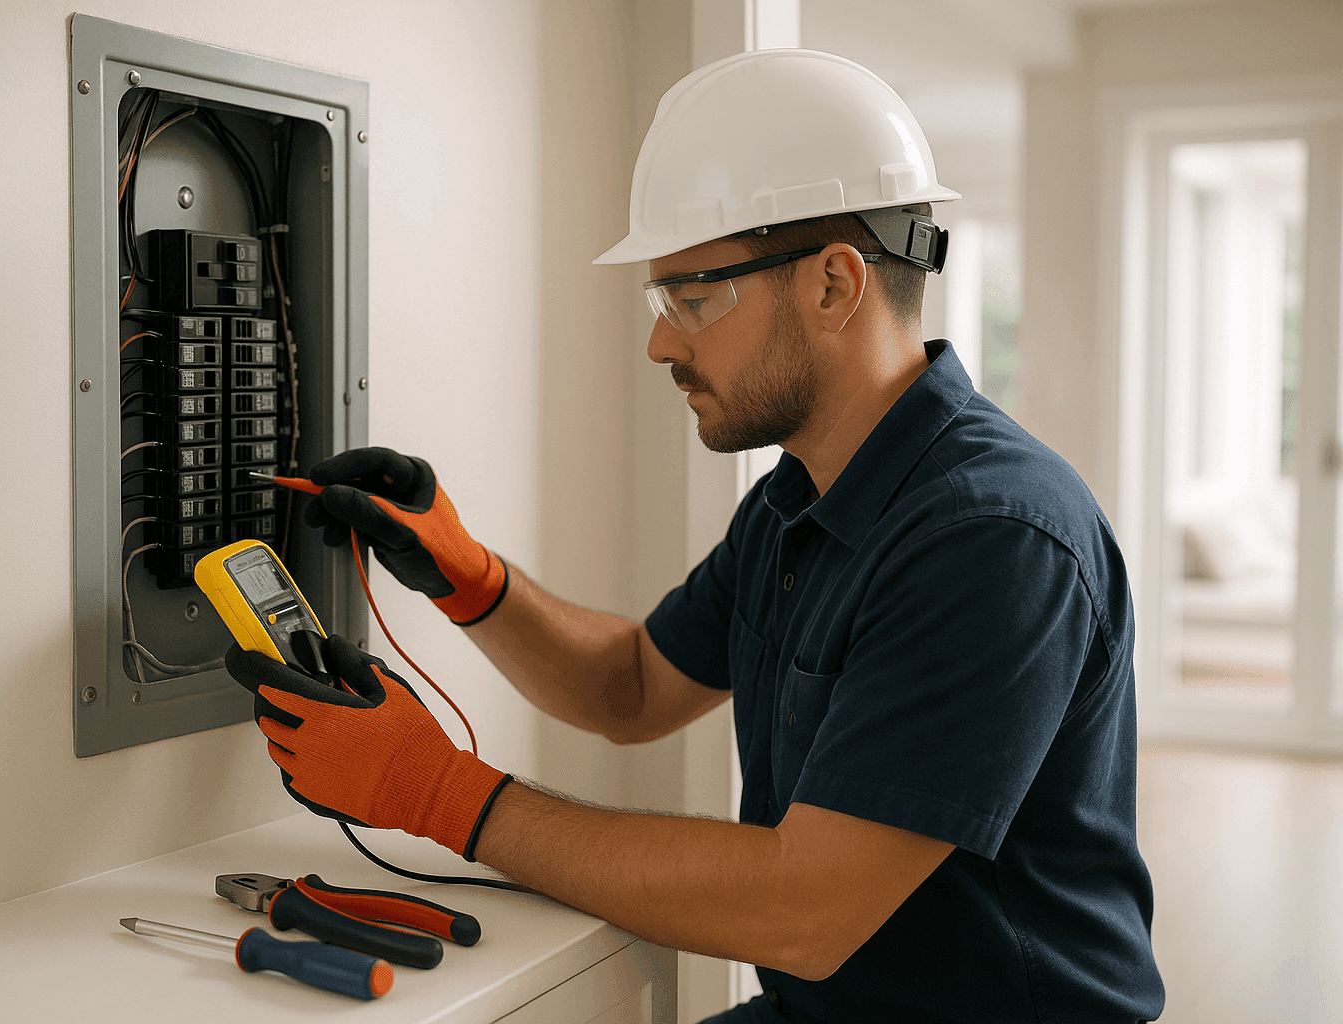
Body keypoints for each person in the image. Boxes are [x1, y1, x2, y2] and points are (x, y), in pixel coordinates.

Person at [226, 50, 1165, 1023]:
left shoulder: (992, 540)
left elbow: (807, 908)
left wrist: (435, 791)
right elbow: (634, 685)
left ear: (835, 285)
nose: (661, 342)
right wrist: (471, 578)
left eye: (694, 297)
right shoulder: (799, 501)